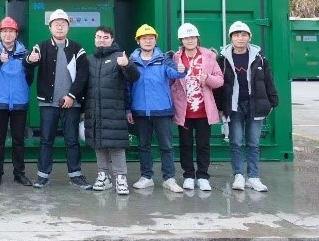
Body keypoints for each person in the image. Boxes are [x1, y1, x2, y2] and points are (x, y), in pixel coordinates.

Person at [24, 9, 91, 190]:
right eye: (56, 24)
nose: (59, 27)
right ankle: (43, 176)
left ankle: (76, 176)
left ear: (68, 27)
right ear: (50, 27)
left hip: (72, 103)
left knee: (72, 140)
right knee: (46, 140)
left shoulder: (77, 48)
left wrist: (72, 96)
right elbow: (28, 62)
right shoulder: (42, 46)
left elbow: (83, 75)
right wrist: (30, 59)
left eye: (63, 24)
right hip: (48, 102)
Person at [216, 21, 279, 192]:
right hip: (233, 107)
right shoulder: (223, 59)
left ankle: (253, 177)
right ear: (231, 38)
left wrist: (272, 102)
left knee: (253, 143)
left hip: (255, 105)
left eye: (244, 35)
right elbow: (219, 86)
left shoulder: (260, 58)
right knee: (236, 142)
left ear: (249, 37)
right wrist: (220, 106)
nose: (240, 38)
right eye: (236, 35)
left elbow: (268, 81)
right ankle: (238, 175)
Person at [129, 23, 186, 193]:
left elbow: (175, 73)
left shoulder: (164, 59)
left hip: (162, 110)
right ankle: (146, 177)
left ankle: (169, 178)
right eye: (144, 38)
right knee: (143, 146)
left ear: (155, 40)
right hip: (140, 110)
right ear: (138, 41)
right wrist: (127, 110)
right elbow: (126, 87)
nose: (148, 41)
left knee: (166, 146)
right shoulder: (131, 61)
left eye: (151, 38)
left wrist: (181, 70)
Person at [83, 26, 140, 196]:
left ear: (112, 39)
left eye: (105, 37)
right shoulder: (89, 60)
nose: (101, 40)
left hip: (114, 111)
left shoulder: (120, 57)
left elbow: (134, 77)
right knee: (98, 143)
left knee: (116, 145)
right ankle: (104, 176)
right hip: (94, 110)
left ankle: (120, 178)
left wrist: (127, 65)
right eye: (98, 37)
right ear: (95, 39)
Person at [170, 23, 224, 192]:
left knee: (203, 144)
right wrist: (176, 73)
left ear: (197, 38)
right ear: (181, 40)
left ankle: (202, 176)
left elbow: (220, 80)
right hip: (184, 111)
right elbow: (169, 81)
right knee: (185, 145)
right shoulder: (175, 58)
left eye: (192, 37)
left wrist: (207, 78)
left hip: (203, 111)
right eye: (186, 38)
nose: (190, 40)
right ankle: (188, 175)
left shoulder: (209, 56)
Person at [0, 16, 33, 186]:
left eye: (11, 31)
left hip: (20, 102)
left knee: (19, 141)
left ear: (16, 34)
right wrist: (0, 61)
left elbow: (30, 76)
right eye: (4, 31)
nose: (8, 34)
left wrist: (22, 90)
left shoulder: (25, 54)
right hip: (0, 102)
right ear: (0, 34)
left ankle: (19, 173)